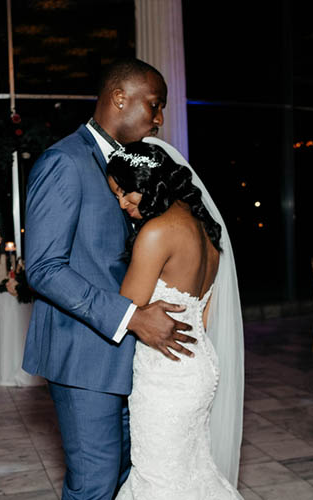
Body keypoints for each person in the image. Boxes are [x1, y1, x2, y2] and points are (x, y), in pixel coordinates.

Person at [23, 58, 199, 499]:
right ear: (120, 97)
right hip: (83, 360)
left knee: (123, 477)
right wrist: (132, 317)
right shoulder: (64, 161)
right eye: (155, 105)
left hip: (128, 359)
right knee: (94, 486)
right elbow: (43, 268)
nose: (160, 119)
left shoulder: (134, 166)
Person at [107, 141, 243, 499]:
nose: (121, 203)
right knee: (192, 470)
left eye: (125, 192)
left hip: (165, 374)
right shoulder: (207, 230)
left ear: (148, 182)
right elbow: (206, 312)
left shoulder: (156, 233)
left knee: (159, 479)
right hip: (199, 364)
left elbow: (126, 308)